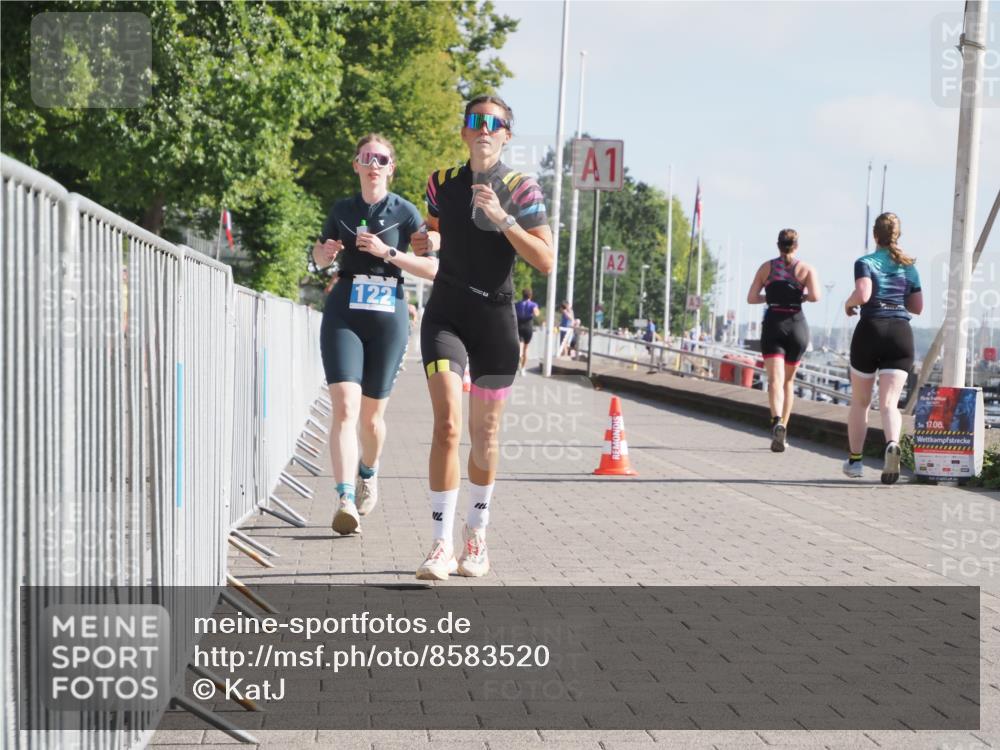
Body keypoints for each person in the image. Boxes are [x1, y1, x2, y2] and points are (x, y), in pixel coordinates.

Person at [413, 95, 553, 579]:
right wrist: (428, 241)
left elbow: (545, 259)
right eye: (476, 121)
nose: (485, 129)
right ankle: (439, 544)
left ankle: (476, 535)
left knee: (485, 434)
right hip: (446, 314)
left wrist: (504, 220)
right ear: (464, 132)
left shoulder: (521, 188)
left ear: (507, 135)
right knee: (448, 425)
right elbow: (436, 231)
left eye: (496, 123)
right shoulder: (441, 183)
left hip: (495, 318)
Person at [311, 134, 439, 535]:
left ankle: (368, 471)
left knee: (371, 419)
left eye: (381, 159)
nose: (373, 165)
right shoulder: (342, 209)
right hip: (345, 310)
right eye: (366, 158)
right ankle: (345, 498)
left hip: (388, 315)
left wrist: (388, 252)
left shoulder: (405, 211)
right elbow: (318, 256)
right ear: (356, 165)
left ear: (391, 168)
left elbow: (432, 268)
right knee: (345, 408)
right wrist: (324, 255)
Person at [842, 212, 922, 484]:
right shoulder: (909, 267)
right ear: (898, 235)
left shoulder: (865, 263)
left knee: (861, 401)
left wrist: (849, 303)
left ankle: (855, 462)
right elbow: (917, 307)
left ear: (875, 235)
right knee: (890, 403)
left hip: (871, 330)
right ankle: (892, 444)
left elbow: (863, 294)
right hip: (900, 333)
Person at [747, 229, 822, 452]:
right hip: (797, 325)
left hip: (774, 324)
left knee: (774, 381)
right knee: (788, 382)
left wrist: (770, 296)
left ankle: (776, 421)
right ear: (796, 246)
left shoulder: (766, 268)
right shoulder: (806, 269)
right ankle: (784, 429)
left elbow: (751, 298)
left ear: (778, 245)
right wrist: (800, 296)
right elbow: (815, 296)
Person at [515, 288, 540, 375]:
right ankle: (523, 369)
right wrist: (535, 313)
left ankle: (519, 359)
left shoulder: (517, 304)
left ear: (522, 295)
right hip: (528, 327)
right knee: (526, 348)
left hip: (519, 326)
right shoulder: (533, 304)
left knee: (520, 347)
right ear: (531, 295)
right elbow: (536, 313)